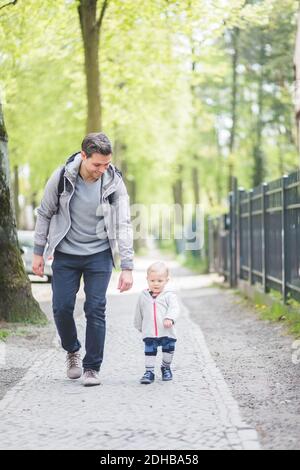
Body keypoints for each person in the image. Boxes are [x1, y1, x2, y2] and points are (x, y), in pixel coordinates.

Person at [32, 132, 134, 386]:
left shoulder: (113, 181)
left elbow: (124, 224)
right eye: (96, 164)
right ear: (83, 156)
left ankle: (92, 368)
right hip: (66, 254)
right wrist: (38, 252)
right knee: (61, 307)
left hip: (99, 255)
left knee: (95, 309)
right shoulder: (62, 177)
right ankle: (72, 350)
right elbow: (45, 213)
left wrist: (127, 266)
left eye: (106, 164)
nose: (102, 169)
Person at [134, 262, 180, 384]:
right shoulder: (143, 296)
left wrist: (170, 318)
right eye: (152, 280)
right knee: (149, 351)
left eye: (160, 281)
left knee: (168, 351)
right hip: (149, 331)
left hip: (166, 331)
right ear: (147, 279)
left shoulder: (169, 296)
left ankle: (166, 367)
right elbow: (139, 311)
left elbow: (174, 308)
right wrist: (139, 325)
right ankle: (149, 372)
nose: (156, 283)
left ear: (166, 280)